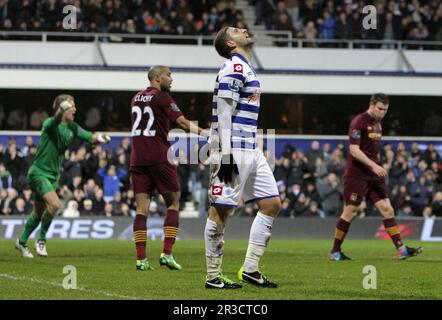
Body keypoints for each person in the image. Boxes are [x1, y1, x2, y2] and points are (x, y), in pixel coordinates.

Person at [204, 26, 281, 290]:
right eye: (237, 30)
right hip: (232, 148)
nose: (244, 29)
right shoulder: (234, 68)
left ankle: (249, 269)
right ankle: (213, 276)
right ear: (230, 43)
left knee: (271, 204)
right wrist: (225, 154)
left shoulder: (246, 68)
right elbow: (224, 112)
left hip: (250, 148)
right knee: (221, 209)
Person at [130, 65, 207, 271]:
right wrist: (204, 133)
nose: (171, 79)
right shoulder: (162, 97)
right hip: (159, 156)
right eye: (168, 75)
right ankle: (167, 254)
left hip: (137, 159)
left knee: (141, 210)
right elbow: (181, 122)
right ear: (157, 78)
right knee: (173, 204)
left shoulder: (136, 97)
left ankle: (141, 260)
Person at [329, 93, 423, 261]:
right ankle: (335, 251)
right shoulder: (359, 122)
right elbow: (354, 150)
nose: (382, 113)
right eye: (380, 109)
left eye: (385, 110)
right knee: (351, 211)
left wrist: (377, 166)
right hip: (357, 175)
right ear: (371, 104)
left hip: (374, 175)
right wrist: (374, 165)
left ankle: (401, 249)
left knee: (387, 209)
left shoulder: (378, 124)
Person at [15, 94, 111, 258]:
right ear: (63, 108)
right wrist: (61, 109)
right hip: (38, 172)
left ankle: (22, 241)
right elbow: (55, 118)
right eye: (71, 106)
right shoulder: (50, 124)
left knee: (38, 213)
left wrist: (100, 137)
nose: (75, 109)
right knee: (55, 205)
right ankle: (42, 240)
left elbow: (89, 137)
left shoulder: (72, 127)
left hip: (53, 175)